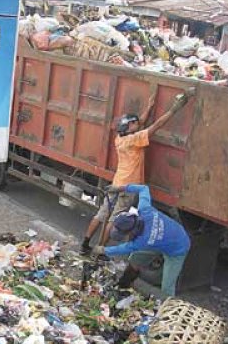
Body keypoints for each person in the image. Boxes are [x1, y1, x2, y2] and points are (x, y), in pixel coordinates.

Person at [79, 93, 189, 254]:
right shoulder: (135, 139)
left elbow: (141, 123)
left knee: (102, 214)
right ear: (130, 126)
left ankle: (85, 244)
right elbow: (155, 126)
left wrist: (149, 107)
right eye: (135, 123)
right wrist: (174, 109)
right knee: (114, 219)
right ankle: (100, 249)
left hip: (116, 183)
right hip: (128, 186)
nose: (139, 124)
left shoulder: (120, 138)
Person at [92, 184, 191, 297]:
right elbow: (144, 188)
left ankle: (169, 310)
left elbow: (123, 248)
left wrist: (103, 250)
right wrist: (121, 188)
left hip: (178, 248)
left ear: (131, 231)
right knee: (135, 259)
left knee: (167, 286)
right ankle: (124, 285)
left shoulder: (143, 241)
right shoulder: (144, 210)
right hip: (166, 237)